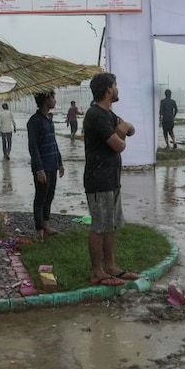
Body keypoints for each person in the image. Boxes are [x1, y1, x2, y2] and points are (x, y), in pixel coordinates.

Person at [83, 73, 136, 286]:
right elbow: (119, 145)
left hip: (112, 179)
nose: (117, 88)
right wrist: (122, 130)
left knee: (111, 225)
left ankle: (111, 266)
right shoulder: (95, 115)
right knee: (99, 226)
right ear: (107, 90)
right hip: (99, 180)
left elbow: (130, 130)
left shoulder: (108, 115)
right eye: (115, 85)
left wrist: (124, 128)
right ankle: (97, 272)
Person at [27, 91, 65, 241]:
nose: (55, 100)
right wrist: (38, 169)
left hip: (52, 165)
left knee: (50, 196)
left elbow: (54, 143)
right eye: (53, 97)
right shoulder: (34, 121)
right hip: (42, 167)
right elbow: (33, 147)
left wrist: (60, 162)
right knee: (40, 197)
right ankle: (39, 230)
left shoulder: (49, 119)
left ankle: (47, 224)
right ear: (45, 100)